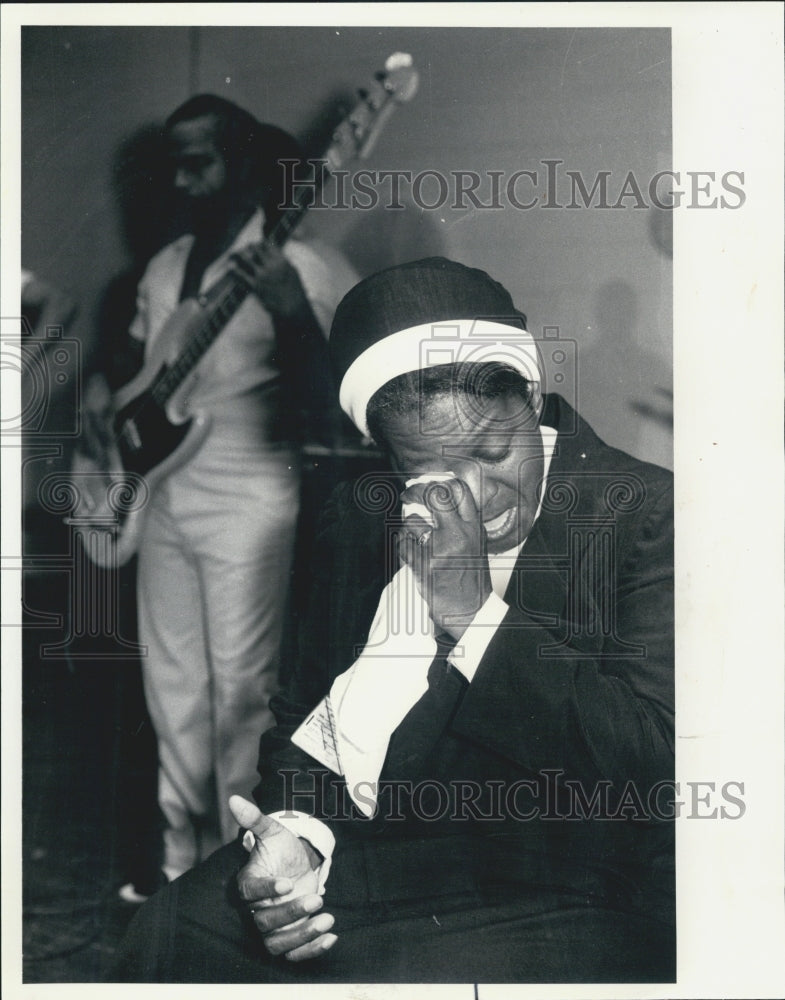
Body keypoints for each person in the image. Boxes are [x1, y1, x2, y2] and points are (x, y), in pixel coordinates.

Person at [115, 257, 675, 982]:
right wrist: (296, 834)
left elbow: (653, 767)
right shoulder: (358, 516)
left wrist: (473, 614)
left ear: (530, 400)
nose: (472, 496)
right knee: (172, 932)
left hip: (570, 877)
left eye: (493, 451)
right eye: (429, 472)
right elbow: (300, 709)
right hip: (386, 853)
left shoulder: (644, 514)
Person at [83, 94, 358, 898]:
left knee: (240, 692)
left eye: (199, 157)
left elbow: (330, 402)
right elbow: (134, 373)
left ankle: (234, 873)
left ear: (243, 163)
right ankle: (178, 868)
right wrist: (104, 401)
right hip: (161, 493)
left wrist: (288, 315)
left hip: (250, 496)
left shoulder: (299, 265)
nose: (181, 175)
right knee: (171, 688)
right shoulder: (164, 267)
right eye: (173, 160)